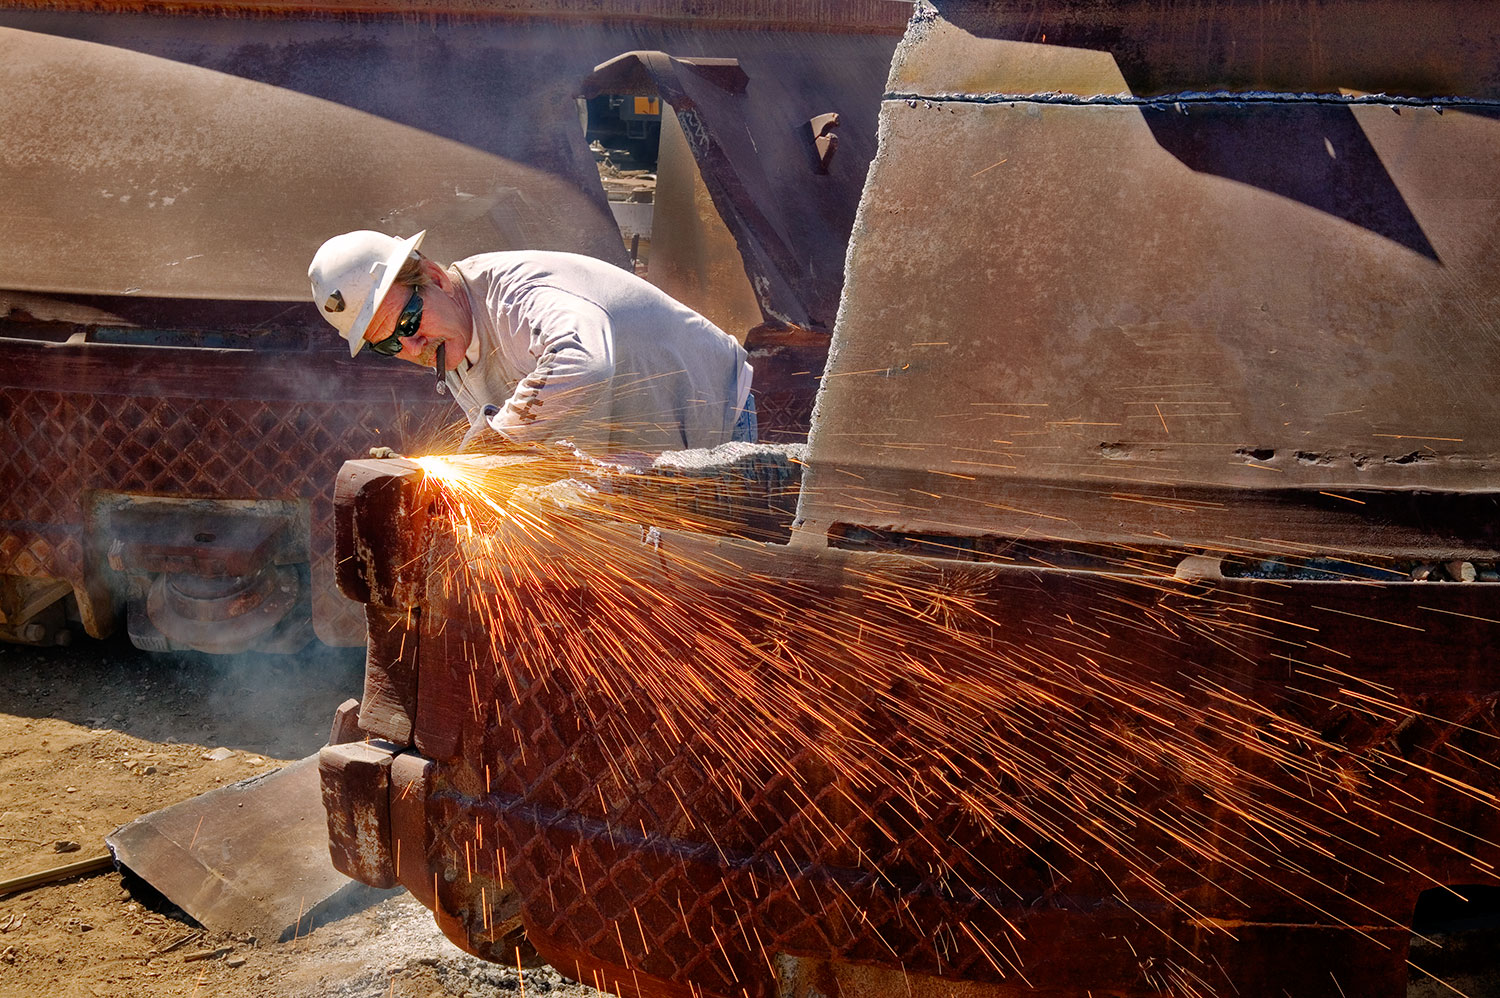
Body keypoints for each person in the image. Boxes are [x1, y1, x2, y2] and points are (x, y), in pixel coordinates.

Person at [308, 230, 756, 455]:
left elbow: (585, 364)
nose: (411, 346)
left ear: (436, 278)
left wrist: (496, 442)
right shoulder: (453, 340)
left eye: (407, 321)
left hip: (716, 424)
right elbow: (528, 433)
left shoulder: (515, 295)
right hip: (646, 455)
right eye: (387, 345)